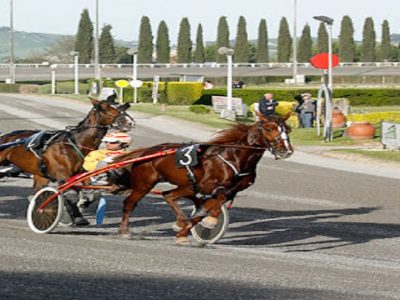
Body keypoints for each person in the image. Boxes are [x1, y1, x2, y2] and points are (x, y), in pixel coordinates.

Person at [63, 132, 132, 226]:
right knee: (103, 165)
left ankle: (85, 200)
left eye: (113, 142)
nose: (108, 144)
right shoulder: (96, 153)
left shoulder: (130, 155)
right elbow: (87, 166)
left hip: (121, 178)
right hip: (96, 177)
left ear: (124, 144)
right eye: (107, 142)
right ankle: (82, 201)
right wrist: (106, 164)